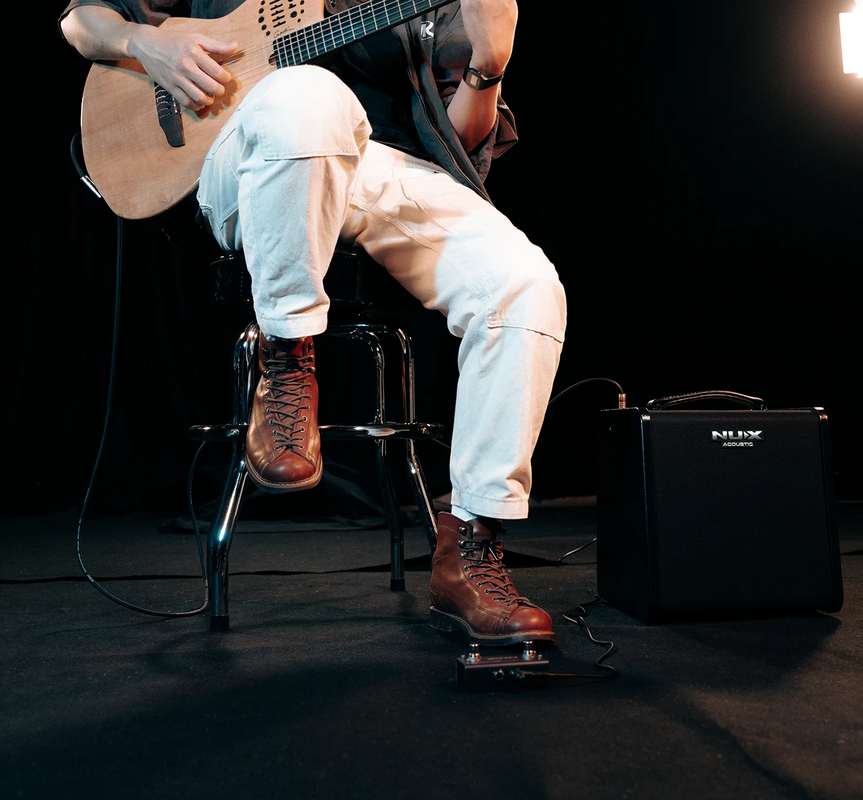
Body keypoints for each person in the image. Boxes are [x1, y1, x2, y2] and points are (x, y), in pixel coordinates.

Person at [59, 0, 566, 645]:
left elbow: (461, 138)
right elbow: (81, 21)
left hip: (384, 163)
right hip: (249, 157)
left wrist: (487, 65)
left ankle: (471, 545)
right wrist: (145, 43)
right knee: (306, 95)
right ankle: (286, 356)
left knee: (523, 285)